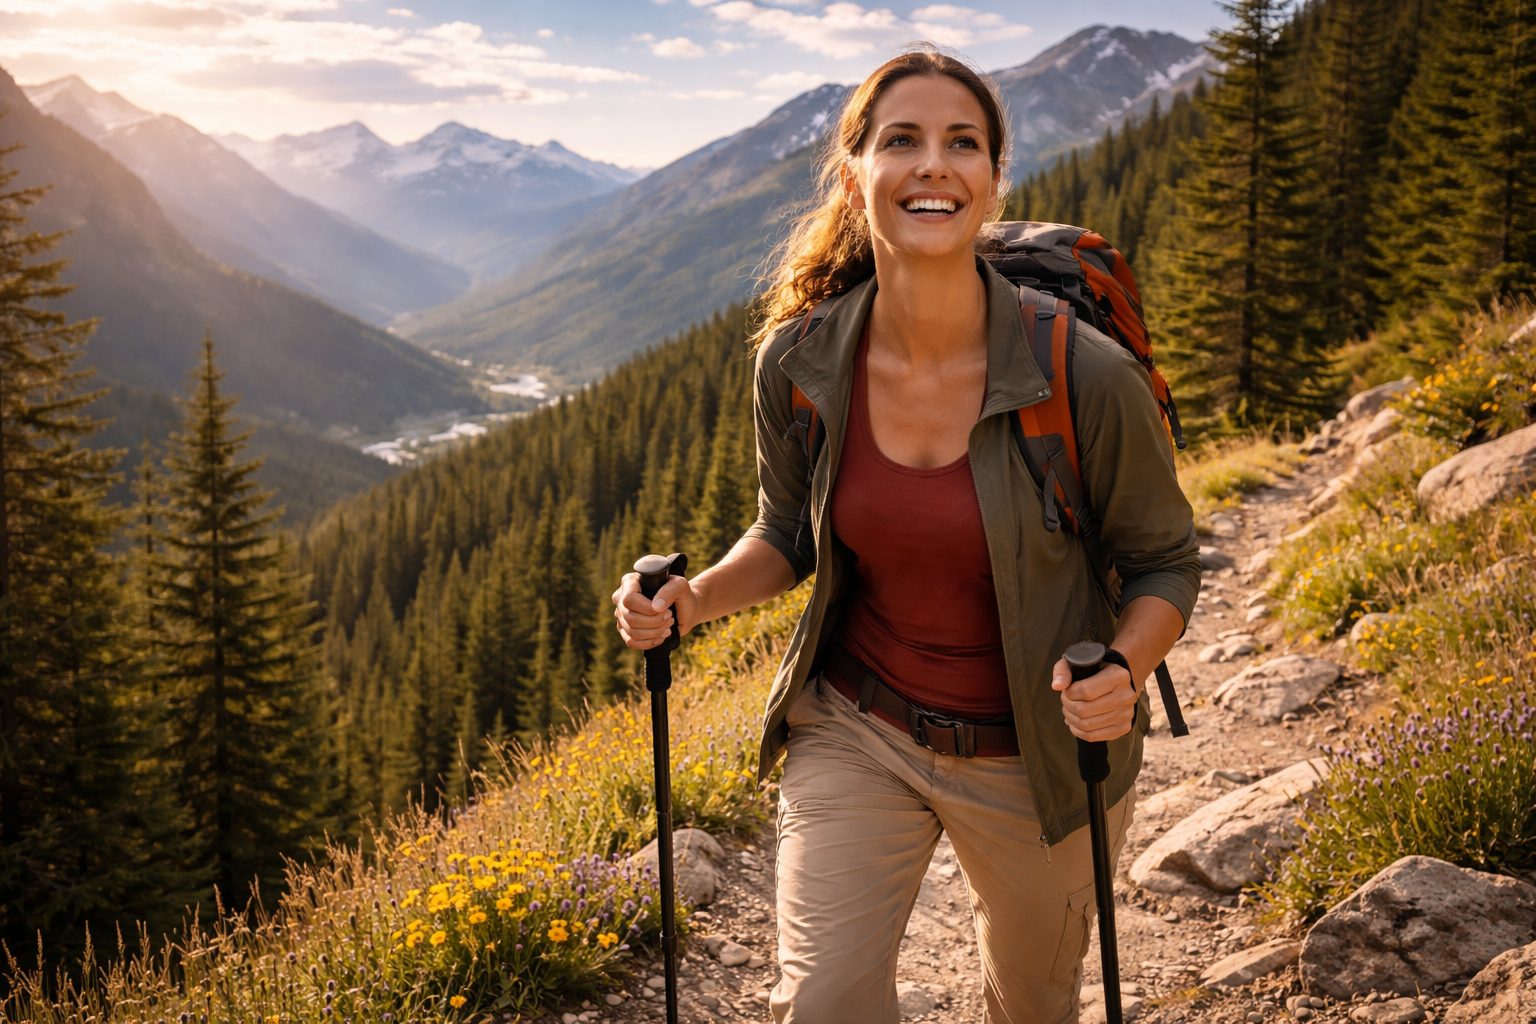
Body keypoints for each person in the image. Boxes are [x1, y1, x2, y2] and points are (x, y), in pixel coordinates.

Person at [612, 46, 1200, 1024]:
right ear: (856, 175)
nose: (934, 163)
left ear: (993, 178)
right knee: (826, 1003)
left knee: (1031, 1005)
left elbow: (1164, 563)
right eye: (903, 141)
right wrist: (693, 600)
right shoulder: (802, 361)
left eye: (962, 142)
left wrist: (1123, 671)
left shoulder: (1084, 376)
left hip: (1043, 757)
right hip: (857, 725)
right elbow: (785, 534)